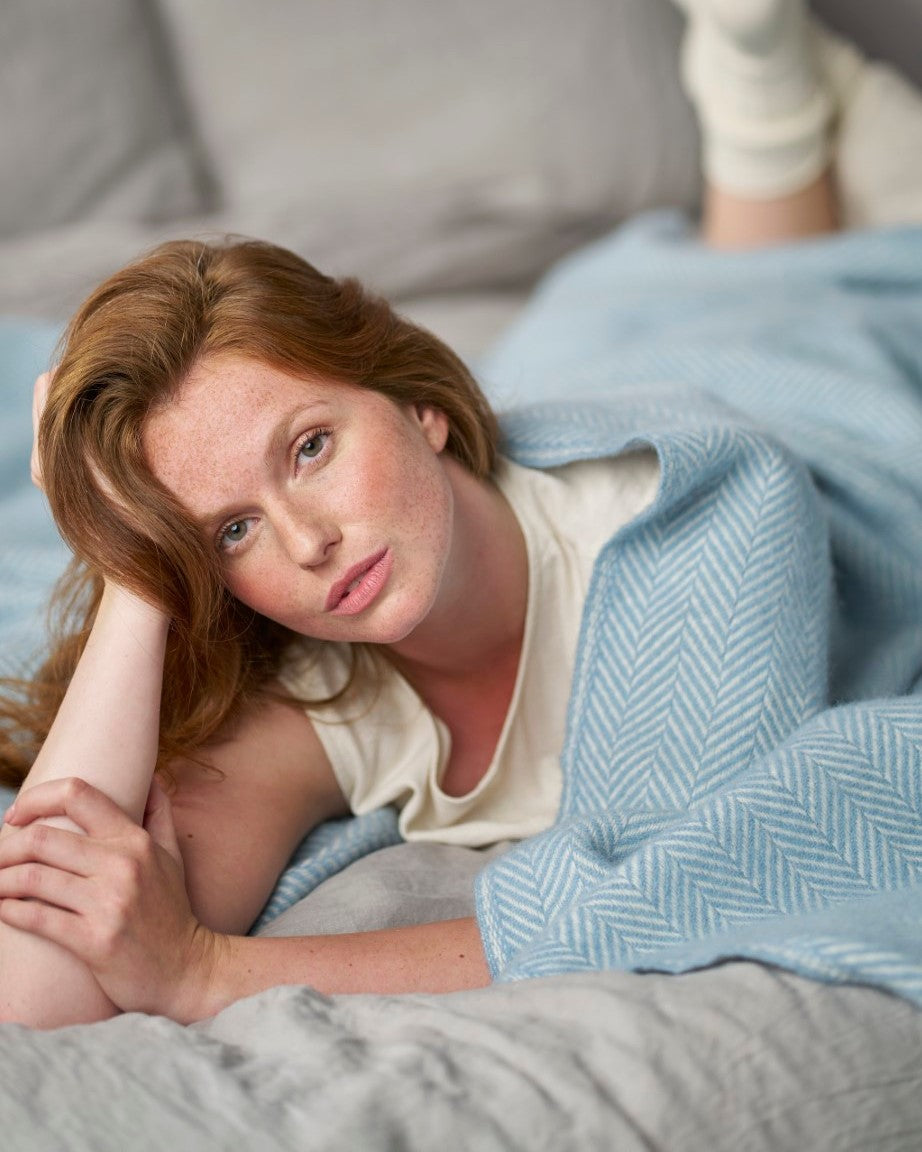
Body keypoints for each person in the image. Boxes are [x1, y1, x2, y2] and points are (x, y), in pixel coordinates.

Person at [0, 0, 919, 1028]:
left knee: (779, 309)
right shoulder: (317, 698)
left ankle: (764, 106)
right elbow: (31, 989)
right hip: (581, 369)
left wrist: (206, 972)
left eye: (311, 449)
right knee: (689, 304)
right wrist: (131, 560)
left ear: (418, 404)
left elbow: (675, 882)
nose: (309, 543)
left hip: (795, 414)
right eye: (233, 530)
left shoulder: (696, 530)